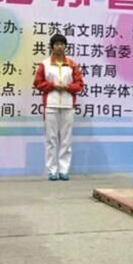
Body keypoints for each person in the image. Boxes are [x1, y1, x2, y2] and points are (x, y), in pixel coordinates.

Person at [33, 34, 84, 181]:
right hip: (51, 104)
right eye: (56, 44)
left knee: (66, 140)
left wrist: (68, 87)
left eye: (62, 44)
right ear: (52, 46)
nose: (59, 47)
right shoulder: (45, 64)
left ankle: (64, 170)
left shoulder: (72, 64)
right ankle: (52, 170)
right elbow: (37, 83)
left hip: (68, 105)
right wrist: (52, 85)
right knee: (51, 139)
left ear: (65, 46)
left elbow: (80, 84)